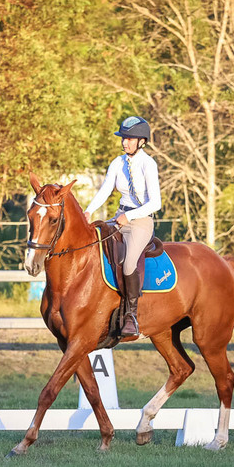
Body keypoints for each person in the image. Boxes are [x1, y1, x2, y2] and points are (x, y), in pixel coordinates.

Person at [84, 116, 161, 337]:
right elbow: (105, 190)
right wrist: (88, 211)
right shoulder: (117, 163)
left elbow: (156, 203)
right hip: (119, 216)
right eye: (124, 138)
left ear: (142, 142)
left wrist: (131, 216)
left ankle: (131, 317)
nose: (125, 142)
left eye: (130, 139)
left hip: (141, 221)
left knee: (128, 265)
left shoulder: (149, 165)